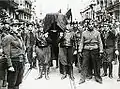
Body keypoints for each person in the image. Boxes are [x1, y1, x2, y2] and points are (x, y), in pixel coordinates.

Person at [2, 20, 25, 89]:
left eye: (18, 26)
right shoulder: (8, 37)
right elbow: (6, 53)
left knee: (18, 82)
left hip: (20, 61)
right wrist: (10, 65)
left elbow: (22, 48)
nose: (17, 27)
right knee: (12, 83)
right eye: (15, 26)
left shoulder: (18, 37)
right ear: (11, 27)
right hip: (13, 61)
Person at [78, 19, 103, 84]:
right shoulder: (84, 33)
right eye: (90, 24)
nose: (91, 26)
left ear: (93, 25)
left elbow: (100, 42)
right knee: (84, 64)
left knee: (96, 65)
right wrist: (80, 50)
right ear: (87, 25)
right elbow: (81, 42)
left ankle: (97, 77)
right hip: (86, 49)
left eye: (92, 24)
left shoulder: (97, 33)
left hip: (95, 49)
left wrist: (101, 50)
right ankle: (83, 78)